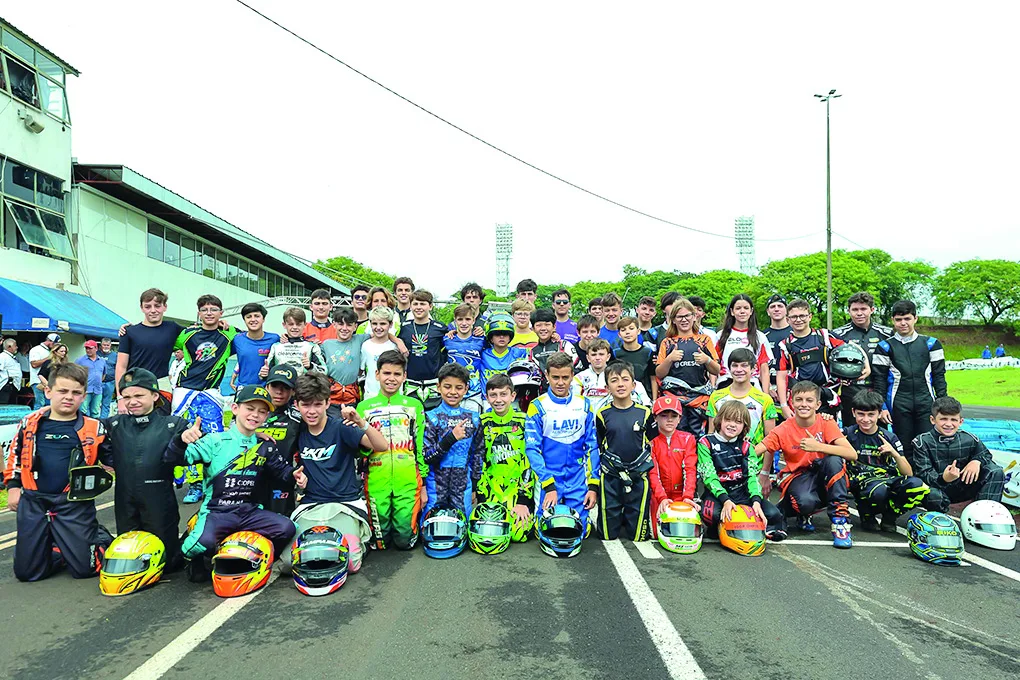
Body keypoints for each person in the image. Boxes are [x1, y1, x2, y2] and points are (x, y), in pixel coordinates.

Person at [164, 385, 306, 580]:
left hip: (250, 512)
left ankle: (240, 548)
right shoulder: (215, 441)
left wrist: (295, 475)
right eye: (250, 408)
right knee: (194, 548)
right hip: (217, 512)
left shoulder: (264, 445)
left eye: (262, 412)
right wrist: (181, 440)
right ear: (235, 408)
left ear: (266, 417)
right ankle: (197, 538)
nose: (255, 415)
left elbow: (282, 472)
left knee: (287, 528)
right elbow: (173, 459)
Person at [4, 363, 113, 581]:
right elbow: (15, 455)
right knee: (27, 574)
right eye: (62, 391)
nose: (68, 397)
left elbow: (116, 459)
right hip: (34, 502)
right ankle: (59, 547)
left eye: (76, 393)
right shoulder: (30, 423)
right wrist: (13, 487)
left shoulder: (95, 427)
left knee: (86, 570)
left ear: (83, 396)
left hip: (74, 504)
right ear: (48, 391)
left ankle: (97, 537)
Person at [289, 372, 388, 574]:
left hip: (346, 504)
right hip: (312, 504)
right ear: (297, 404)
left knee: (348, 562)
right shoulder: (297, 430)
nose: (311, 411)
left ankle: (360, 538)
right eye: (305, 405)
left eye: (317, 404)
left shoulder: (341, 427)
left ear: (327, 403)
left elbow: (382, 445)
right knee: (288, 562)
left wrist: (362, 423)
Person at [103, 367, 190, 569]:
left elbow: (199, 451)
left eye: (139, 395)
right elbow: (85, 432)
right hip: (125, 501)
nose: (132, 401)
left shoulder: (174, 424)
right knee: (127, 560)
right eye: (126, 397)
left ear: (154, 395)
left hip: (160, 501)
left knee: (168, 564)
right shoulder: (113, 425)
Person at [756, 381, 857, 547]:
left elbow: (852, 454)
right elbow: (760, 449)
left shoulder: (826, 422)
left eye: (809, 400)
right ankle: (794, 511)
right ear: (791, 402)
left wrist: (818, 446)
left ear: (818, 404)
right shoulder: (784, 428)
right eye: (799, 399)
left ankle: (840, 521)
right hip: (798, 476)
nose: (804, 404)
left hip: (822, 474)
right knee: (804, 502)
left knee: (834, 460)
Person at [357, 350, 427, 549]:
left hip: (408, 478)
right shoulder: (364, 407)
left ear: (405, 376)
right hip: (376, 477)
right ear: (377, 374)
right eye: (386, 373)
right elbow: (359, 447)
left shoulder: (414, 405)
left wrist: (423, 484)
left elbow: (420, 444)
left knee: (404, 541)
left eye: (397, 374)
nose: (391, 379)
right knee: (380, 543)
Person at [525, 352, 600, 529]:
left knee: (579, 531)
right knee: (546, 529)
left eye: (565, 377)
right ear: (546, 375)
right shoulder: (537, 406)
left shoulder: (584, 404)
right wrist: (549, 486)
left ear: (572, 376)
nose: (560, 382)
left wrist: (593, 486)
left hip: (577, 478)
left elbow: (592, 447)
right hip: (549, 478)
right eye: (555, 377)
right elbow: (532, 450)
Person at [699, 400, 787, 541]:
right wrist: (725, 500)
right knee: (711, 515)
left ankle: (767, 529)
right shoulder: (706, 443)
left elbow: (752, 477)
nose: (732, 425)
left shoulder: (747, 446)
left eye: (738, 422)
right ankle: (715, 528)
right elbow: (708, 476)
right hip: (718, 494)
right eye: (728, 419)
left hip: (742, 492)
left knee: (774, 514)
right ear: (719, 420)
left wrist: (756, 501)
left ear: (744, 426)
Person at [842, 389, 929, 531]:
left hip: (887, 480)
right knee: (878, 491)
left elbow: (908, 472)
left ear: (879, 414)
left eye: (871, 414)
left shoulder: (890, 437)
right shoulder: (847, 434)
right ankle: (867, 515)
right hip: (862, 483)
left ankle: (890, 517)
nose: (866, 419)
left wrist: (894, 453)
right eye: (861, 414)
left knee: (918, 486)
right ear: (853, 413)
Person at [870, 300, 947, 456]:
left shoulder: (932, 344)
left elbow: (939, 376)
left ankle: (927, 479)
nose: (903, 323)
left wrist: (943, 404)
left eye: (907, 318)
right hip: (898, 404)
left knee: (927, 444)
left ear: (915, 318)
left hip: (926, 402)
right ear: (893, 320)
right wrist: (882, 408)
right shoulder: (884, 347)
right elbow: (879, 381)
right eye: (898, 319)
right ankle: (907, 479)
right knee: (903, 447)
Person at [912, 397, 1005, 512]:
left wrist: (976, 461)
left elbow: (986, 455)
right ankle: (940, 524)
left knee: (995, 471)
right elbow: (923, 474)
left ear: (961, 421)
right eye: (943, 419)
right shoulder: (921, 442)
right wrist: (944, 478)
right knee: (933, 495)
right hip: (937, 489)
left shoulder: (970, 438)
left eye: (954, 420)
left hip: (963, 486)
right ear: (932, 420)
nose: (948, 424)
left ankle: (985, 515)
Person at [595, 361, 655, 541]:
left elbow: (651, 442)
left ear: (634, 385)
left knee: (638, 536)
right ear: (607, 387)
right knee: (606, 535)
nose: (620, 384)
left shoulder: (644, 413)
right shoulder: (602, 414)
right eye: (614, 380)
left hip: (638, 476)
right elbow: (599, 444)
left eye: (625, 379)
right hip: (611, 476)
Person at [477, 373, 534, 541]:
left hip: (517, 489)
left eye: (503, 394)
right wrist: (481, 498)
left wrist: (524, 500)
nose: (498, 399)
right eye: (493, 395)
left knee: (519, 534)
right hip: (492, 490)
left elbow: (529, 462)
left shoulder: (524, 421)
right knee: (489, 534)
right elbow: (479, 461)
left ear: (513, 396)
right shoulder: (482, 422)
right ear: (486, 397)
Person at [776, 299, 855, 419]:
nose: (798, 320)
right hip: (801, 398)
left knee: (826, 434)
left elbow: (851, 348)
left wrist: (867, 367)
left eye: (802, 316)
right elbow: (781, 378)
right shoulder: (785, 345)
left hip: (826, 396)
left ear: (810, 317)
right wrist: (784, 406)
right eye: (794, 317)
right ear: (787, 319)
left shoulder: (824, 336)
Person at [422, 364, 483, 516]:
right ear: (438, 387)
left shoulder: (474, 418)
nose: (453, 392)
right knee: (432, 526)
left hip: (463, 484)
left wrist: (474, 485)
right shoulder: (431, 417)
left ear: (466, 388)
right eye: (447, 387)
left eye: (459, 387)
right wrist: (450, 438)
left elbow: (478, 454)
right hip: (436, 484)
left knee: (463, 524)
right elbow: (426, 456)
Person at [654, 298, 720, 438]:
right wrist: (669, 359)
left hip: (699, 399)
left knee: (698, 436)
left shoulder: (704, 340)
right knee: (676, 435)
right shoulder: (667, 342)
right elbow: (659, 374)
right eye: (679, 317)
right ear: (673, 319)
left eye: (687, 316)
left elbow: (717, 369)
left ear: (694, 316)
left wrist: (706, 360)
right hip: (674, 398)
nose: (684, 320)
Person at [832, 292, 893, 428]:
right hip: (851, 392)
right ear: (848, 311)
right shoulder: (838, 334)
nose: (859, 313)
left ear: (872, 310)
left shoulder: (887, 333)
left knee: (878, 434)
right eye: (855, 309)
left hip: (879, 391)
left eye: (863, 309)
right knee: (852, 433)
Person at [116, 289, 186, 402]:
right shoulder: (129, 332)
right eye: (148, 307)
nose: (153, 310)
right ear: (142, 308)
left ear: (165, 307)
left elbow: (199, 333)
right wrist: (120, 397)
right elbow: (121, 366)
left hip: (162, 386)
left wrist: (220, 325)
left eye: (157, 306)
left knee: (164, 419)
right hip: (134, 385)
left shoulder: (173, 328)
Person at [256, 365, 303, 517]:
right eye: (275, 386)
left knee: (281, 529)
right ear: (267, 386)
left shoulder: (299, 418)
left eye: (285, 387)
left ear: (293, 391)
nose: (279, 392)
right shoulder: (253, 413)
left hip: (282, 482)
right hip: (251, 480)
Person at [706, 348, 778, 447]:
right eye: (735, 365)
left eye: (744, 365)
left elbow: (770, 440)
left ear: (754, 368)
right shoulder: (716, 396)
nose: (739, 370)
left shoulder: (765, 399)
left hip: (754, 460)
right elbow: (711, 434)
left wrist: (766, 462)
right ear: (729, 368)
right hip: (722, 459)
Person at [647, 395, 697, 528]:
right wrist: (661, 498)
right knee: (658, 532)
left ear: (680, 418)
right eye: (664, 415)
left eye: (674, 416)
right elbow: (653, 473)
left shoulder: (688, 439)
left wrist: (688, 497)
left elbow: (690, 470)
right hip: (659, 497)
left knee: (683, 530)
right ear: (655, 417)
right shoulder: (651, 442)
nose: (669, 420)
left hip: (682, 496)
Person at [398, 290, 448, 409]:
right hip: (410, 384)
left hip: (434, 384)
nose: (419, 307)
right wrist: (398, 341)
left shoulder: (440, 328)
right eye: (415, 304)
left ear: (430, 306)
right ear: (410, 306)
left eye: (422, 304)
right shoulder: (404, 327)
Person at [715, 294, 772, 394]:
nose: (742, 311)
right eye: (738, 308)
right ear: (732, 312)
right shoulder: (721, 336)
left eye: (746, 308)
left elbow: (764, 368)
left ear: (751, 311)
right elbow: (714, 363)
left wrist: (766, 395)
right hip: (726, 383)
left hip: (752, 384)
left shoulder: (760, 337)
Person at [320, 306, 370, 410]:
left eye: (349, 325)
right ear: (334, 324)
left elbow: (382, 333)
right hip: (331, 396)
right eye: (341, 324)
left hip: (351, 397)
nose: (344, 328)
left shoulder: (360, 339)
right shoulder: (326, 344)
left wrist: (398, 342)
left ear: (355, 327)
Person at [264, 307, 327, 378]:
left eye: (298, 324)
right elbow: (266, 373)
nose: (295, 327)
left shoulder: (312, 347)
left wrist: (310, 366)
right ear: (284, 325)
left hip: (304, 387)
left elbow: (324, 372)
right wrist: (264, 373)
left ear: (305, 325)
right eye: (291, 324)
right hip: (282, 387)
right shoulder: (276, 347)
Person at [445, 303, 486, 412]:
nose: (464, 323)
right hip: (452, 393)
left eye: (468, 319)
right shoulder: (446, 339)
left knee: (472, 427)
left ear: (473, 320)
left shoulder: (482, 339)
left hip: (474, 393)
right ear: (455, 320)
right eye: (460, 319)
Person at [230, 303, 281, 391]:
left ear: (263, 319)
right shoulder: (237, 339)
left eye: (257, 316)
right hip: (244, 389)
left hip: (267, 388)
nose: (253, 319)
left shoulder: (274, 339)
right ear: (244, 320)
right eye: (249, 316)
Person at [479, 314, 529, 401]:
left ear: (510, 337)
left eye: (505, 334)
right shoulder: (482, 354)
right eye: (497, 334)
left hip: (512, 400)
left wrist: (553, 336)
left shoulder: (519, 353)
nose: (501, 337)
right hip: (487, 400)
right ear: (491, 338)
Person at [360, 306, 398, 400]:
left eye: (383, 324)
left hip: (394, 396)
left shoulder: (396, 346)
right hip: (371, 395)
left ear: (391, 324)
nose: (378, 327)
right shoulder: (365, 346)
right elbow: (361, 370)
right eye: (374, 324)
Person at [615, 316, 657, 399]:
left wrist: (654, 400)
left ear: (638, 331)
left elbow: (653, 378)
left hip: (644, 397)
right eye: (623, 330)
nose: (627, 332)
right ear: (619, 334)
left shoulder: (648, 353)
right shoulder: (615, 353)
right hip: (622, 396)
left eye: (631, 328)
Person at [531, 308, 577, 376]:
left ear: (554, 327)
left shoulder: (564, 345)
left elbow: (577, 367)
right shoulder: (532, 352)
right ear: (533, 329)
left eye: (547, 325)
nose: (543, 328)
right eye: (539, 325)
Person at [763, 294, 791, 407]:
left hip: (791, 388)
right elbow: (757, 364)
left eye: (780, 306)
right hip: (767, 387)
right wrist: (768, 387)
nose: (776, 309)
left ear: (786, 310)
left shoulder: (795, 333)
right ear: (768, 311)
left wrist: (790, 388)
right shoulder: (761, 336)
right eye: (772, 306)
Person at [74, 340, 107, 418]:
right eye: (86, 348)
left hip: (98, 390)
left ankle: (94, 428)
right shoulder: (80, 360)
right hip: (85, 390)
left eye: (90, 348)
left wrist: (98, 382)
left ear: (96, 348)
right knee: (83, 411)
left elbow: (104, 374)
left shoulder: (102, 361)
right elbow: (74, 374)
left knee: (95, 412)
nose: (88, 350)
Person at [28, 333, 60, 409]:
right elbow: (34, 364)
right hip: (37, 381)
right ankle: (36, 420)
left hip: (48, 381)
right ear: (49, 341)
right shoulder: (36, 350)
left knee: (48, 404)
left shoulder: (50, 350)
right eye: (54, 343)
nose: (55, 345)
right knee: (40, 404)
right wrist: (49, 358)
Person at [98, 338, 118, 418]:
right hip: (97, 383)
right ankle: (94, 421)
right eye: (104, 345)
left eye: (107, 345)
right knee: (95, 403)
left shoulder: (115, 356)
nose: (106, 347)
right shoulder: (96, 354)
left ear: (110, 346)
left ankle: (103, 421)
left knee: (106, 403)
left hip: (110, 382)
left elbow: (118, 368)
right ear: (101, 345)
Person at [0, 338, 23, 404]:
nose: (17, 347)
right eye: (15, 346)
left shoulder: (12, 357)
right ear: (9, 347)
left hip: (13, 386)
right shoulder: (2, 357)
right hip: (6, 385)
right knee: (4, 406)